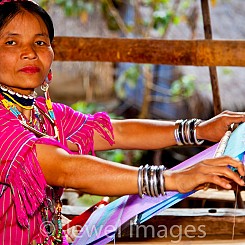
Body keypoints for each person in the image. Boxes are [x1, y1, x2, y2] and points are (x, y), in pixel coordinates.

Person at [0, 0, 244, 244]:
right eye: (11, 42)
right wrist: (174, 179)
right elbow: (66, 169)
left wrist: (199, 129)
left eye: (40, 42)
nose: (30, 52)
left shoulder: (44, 114)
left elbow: (116, 131)